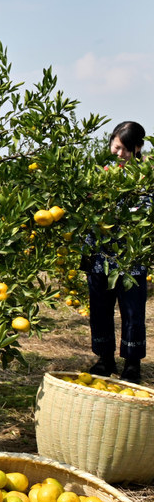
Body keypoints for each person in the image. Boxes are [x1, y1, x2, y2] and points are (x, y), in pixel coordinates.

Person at [85, 121, 148, 382]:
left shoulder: (146, 177)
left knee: (132, 310)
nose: (119, 153)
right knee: (100, 308)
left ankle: (132, 363)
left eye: (124, 148)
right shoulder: (103, 173)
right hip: (100, 253)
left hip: (131, 255)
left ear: (137, 148)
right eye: (116, 146)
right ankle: (105, 358)